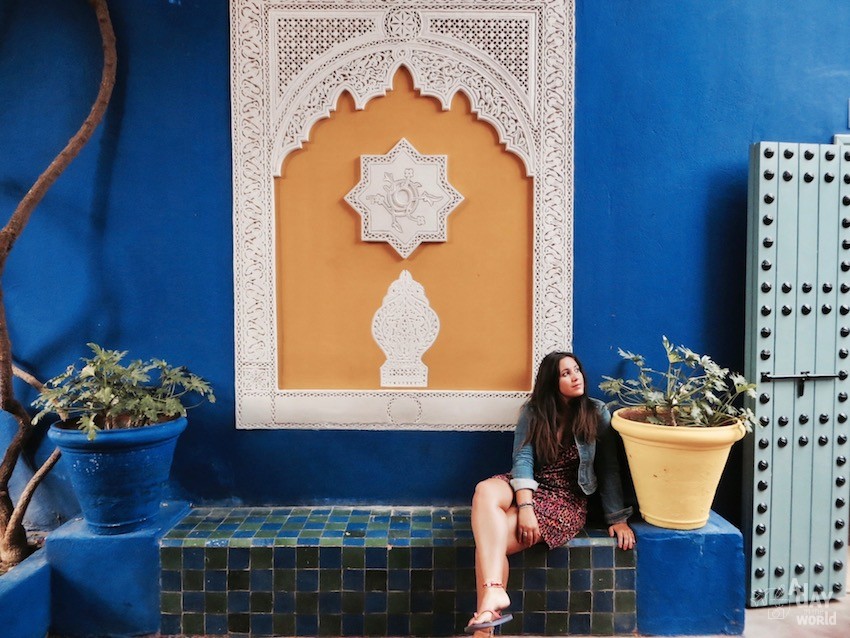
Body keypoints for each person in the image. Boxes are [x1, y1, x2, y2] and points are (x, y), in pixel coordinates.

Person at [465, 351, 635, 635]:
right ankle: (493, 595)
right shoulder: (533, 412)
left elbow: (609, 469)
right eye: (565, 373)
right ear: (550, 382)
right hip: (529, 485)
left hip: (564, 500)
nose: (575, 376)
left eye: (577, 370)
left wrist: (616, 517)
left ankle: (485, 618)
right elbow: (522, 461)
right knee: (484, 490)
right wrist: (526, 507)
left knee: (491, 542)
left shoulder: (596, 412)